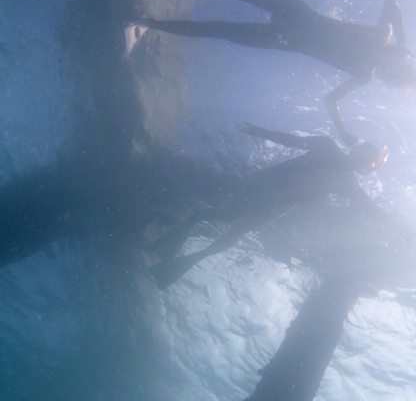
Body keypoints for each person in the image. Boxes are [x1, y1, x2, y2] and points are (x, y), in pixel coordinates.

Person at [126, 0, 416, 146]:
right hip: (296, 12)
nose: (388, 77)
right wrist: (404, 41)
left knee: (216, 30)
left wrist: (343, 132)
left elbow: (330, 100)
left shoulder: (364, 75)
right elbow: (392, 2)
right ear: (400, 60)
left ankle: (146, 24)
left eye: (391, 81)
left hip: (284, 39)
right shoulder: (381, 36)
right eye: (396, 73)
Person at [148, 123, 391, 290]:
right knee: (229, 217)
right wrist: (259, 131)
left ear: (364, 165)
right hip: (268, 184)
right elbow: (291, 140)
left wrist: (399, 227)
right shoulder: (328, 148)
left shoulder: (347, 181)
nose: (358, 157)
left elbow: (370, 209)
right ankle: (189, 228)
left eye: (364, 158)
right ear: (356, 151)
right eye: (361, 152)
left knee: (234, 231)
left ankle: (184, 259)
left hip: (279, 202)